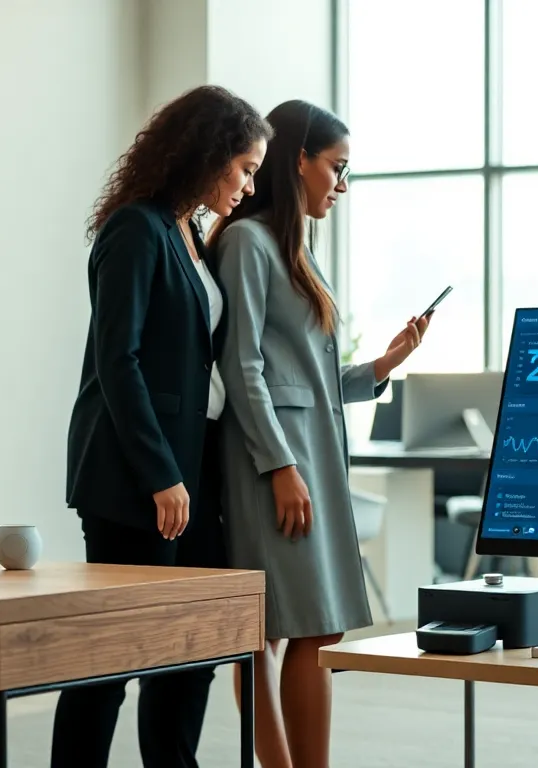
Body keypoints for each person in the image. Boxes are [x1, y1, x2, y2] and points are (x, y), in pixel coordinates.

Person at [55, 84, 271, 768]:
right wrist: (161, 476)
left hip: (193, 470)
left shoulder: (189, 233)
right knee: (115, 656)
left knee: (192, 646)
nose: (247, 185)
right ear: (208, 155)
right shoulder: (135, 228)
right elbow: (117, 363)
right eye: (244, 169)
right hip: (134, 477)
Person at [210, 100, 430, 768]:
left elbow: (304, 372)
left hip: (310, 460)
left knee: (314, 627)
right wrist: (279, 465)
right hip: (274, 465)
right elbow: (240, 363)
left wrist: (381, 367)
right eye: (336, 168)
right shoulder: (247, 241)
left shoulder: (294, 247)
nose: (342, 184)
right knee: (274, 633)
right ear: (297, 159)